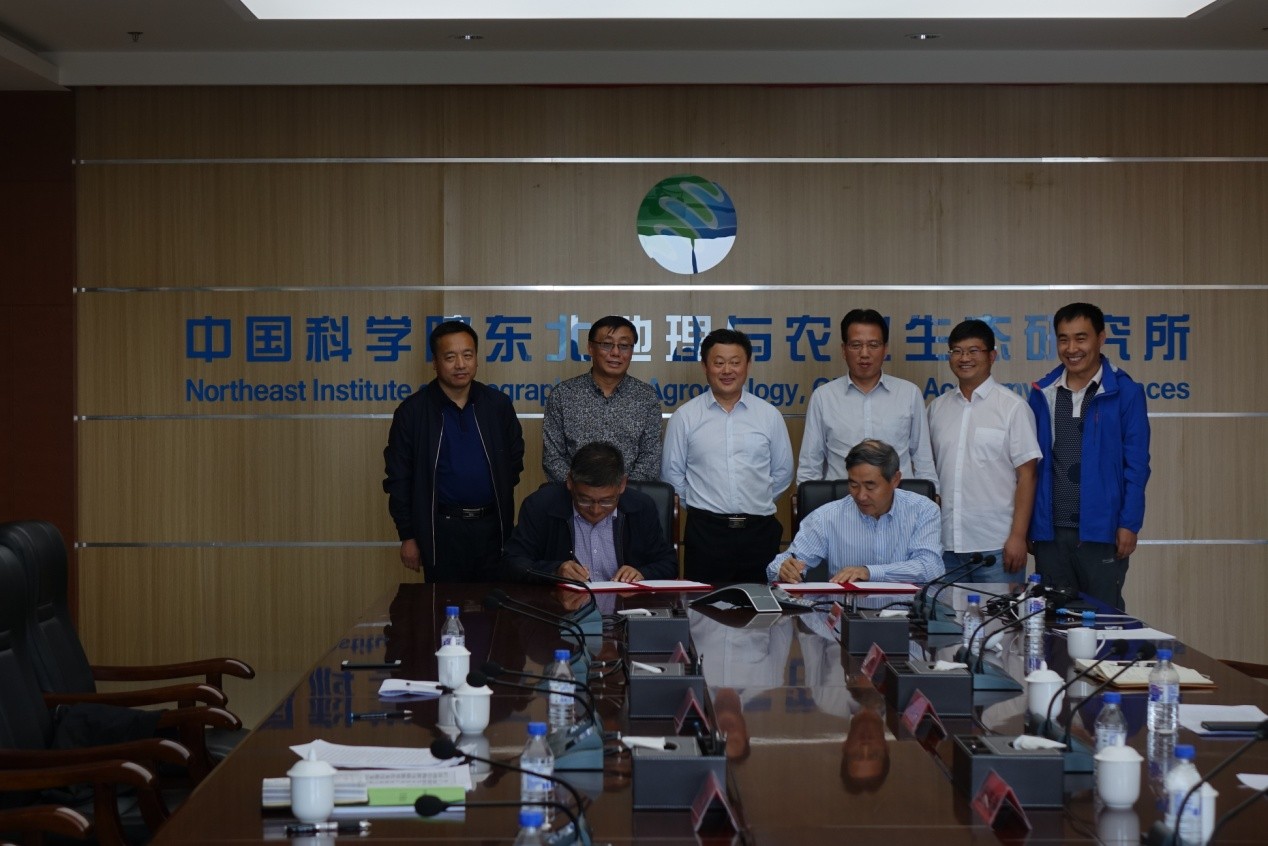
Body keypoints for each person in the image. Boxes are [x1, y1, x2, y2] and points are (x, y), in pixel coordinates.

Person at [1028, 302, 1150, 610]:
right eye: (1063, 339)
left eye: (1081, 338)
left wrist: (1129, 523)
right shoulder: (1043, 392)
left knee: (1104, 619)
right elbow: (1030, 467)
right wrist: (1031, 525)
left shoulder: (1126, 392)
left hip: (1102, 532)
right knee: (1051, 620)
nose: (1072, 348)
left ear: (1101, 338)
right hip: (1051, 534)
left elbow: (1136, 466)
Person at [382, 320, 524, 582]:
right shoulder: (412, 412)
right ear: (435, 362)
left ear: (476, 359)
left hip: (492, 527)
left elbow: (514, 460)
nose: (461, 364)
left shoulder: (497, 405)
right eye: (450, 357)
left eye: (467, 355)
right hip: (441, 530)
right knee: (444, 604)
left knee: (494, 602)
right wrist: (408, 535)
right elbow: (399, 478)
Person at [662, 328, 794, 584]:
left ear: (748, 365)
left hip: (759, 532)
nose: (727, 370)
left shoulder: (769, 415)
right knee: (704, 604)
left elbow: (782, 473)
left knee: (759, 604)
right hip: (706, 533)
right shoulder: (685, 417)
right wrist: (702, 507)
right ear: (704, 366)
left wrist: (755, 500)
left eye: (735, 362)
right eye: (719, 362)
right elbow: (672, 474)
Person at [927, 319, 1041, 584]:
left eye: (973, 351)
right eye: (956, 351)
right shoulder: (936, 409)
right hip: (944, 545)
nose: (964, 358)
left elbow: (1028, 476)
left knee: (999, 613)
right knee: (944, 612)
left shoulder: (1013, 408)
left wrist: (1018, 537)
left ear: (992, 356)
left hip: (996, 546)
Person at [768, 439, 942, 585]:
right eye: (853, 485)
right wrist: (784, 568)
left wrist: (869, 572)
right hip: (845, 612)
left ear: (895, 479)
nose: (861, 495)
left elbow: (931, 568)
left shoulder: (923, 510)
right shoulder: (826, 517)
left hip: (906, 613)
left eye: (870, 486)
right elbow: (780, 565)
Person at [797, 308, 936, 489]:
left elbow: (923, 460)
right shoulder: (823, 397)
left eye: (873, 345)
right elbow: (810, 464)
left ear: (885, 349)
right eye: (856, 345)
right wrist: (807, 500)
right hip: (841, 500)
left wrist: (931, 498)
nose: (864, 353)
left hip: (899, 500)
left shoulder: (909, 393)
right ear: (844, 350)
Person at [502, 441, 677, 582]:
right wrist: (555, 570)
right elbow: (512, 563)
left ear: (622, 485)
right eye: (584, 500)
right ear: (570, 482)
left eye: (607, 501)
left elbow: (669, 563)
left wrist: (642, 573)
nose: (595, 510)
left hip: (626, 608)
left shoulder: (641, 507)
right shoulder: (540, 506)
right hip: (562, 609)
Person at [542, 315, 663, 483]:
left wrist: (621, 492)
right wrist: (583, 491)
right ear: (590, 348)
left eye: (624, 346)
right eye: (607, 344)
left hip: (629, 495)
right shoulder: (563, 394)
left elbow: (650, 458)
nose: (616, 353)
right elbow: (552, 457)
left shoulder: (646, 397)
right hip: (573, 495)